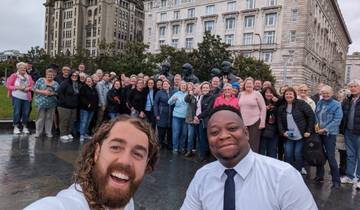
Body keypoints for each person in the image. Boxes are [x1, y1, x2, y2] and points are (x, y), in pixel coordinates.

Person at [181, 105, 318, 210]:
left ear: (246, 133)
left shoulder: (282, 176)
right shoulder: (202, 177)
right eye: (214, 132)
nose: (223, 136)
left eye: (232, 128)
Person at [24, 115, 159, 210]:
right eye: (116, 147)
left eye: (137, 154)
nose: (125, 161)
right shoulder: (67, 204)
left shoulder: (127, 200)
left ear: (146, 165)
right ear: (97, 152)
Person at [277, 87, 315, 172]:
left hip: (301, 135)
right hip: (289, 135)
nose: (288, 95)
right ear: (284, 95)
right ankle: (289, 171)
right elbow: (279, 122)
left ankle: (298, 171)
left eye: (290, 94)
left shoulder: (301, 104)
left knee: (298, 154)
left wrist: (308, 130)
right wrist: (283, 132)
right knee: (288, 154)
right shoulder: (282, 107)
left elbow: (311, 116)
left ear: (294, 95)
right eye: (286, 94)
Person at [314, 85, 342, 188]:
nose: (325, 95)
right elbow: (316, 116)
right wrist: (317, 127)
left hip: (330, 134)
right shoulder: (320, 102)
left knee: (330, 156)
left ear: (332, 93)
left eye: (327, 93)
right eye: (323, 93)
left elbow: (337, 120)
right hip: (319, 133)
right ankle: (319, 175)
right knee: (319, 155)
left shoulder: (337, 104)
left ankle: (336, 181)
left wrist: (325, 129)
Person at [340, 79, 360, 189]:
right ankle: (350, 176)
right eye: (351, 86)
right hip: (348, 131)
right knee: (350, 155)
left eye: (355, 86)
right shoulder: (347, 100)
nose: (352, 88)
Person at [238, 77, 266, 153]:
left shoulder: (257, 94)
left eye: (250, 83)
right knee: (243, 143)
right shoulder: (240, 94)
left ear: (253, 85)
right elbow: (238, 108)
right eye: (247, 83)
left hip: (255, 122)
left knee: (253, 145)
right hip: (243, 123)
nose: (248, 85)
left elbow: (263, 108)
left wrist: (262, 121)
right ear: (244, 85)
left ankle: (253, 162)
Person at [6, 62, 34, 135]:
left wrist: (28, 88)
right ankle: (15, 127)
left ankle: (25, 127)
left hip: (26, 97)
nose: (23, 69)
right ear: (18, 68)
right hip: (16, 96)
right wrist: (17, 87)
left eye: (24, 68)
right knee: (17, 112)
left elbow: (32, 86)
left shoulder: (29, 77)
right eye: (21, 68)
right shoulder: (14, 76)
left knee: (26, 112)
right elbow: (8, 85)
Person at [33, 68, 59, 138]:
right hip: (40, 103)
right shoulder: (40, 80)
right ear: (46, 74)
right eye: (48, 75)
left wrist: (53, 93)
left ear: (54, 76)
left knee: (49, 118)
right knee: (40, 118)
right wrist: (43, 92)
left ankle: (48, 132)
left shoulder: (56, 83)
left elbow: (57, 93)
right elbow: (34, 89)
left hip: (51, 103)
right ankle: (38, 132)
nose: (50, 76)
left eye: (52, 75)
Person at [194, 82, 216, 162]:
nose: (205, 89)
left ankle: (204, 156)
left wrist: (198, 117)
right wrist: (195, 117)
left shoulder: (211, 97)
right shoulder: (200, 96)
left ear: (209, 88)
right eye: (204, 88)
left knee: (204, 139)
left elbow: (208, 110)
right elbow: (196, 107)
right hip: (197, 120)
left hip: (204, 121)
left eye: (207, 87)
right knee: (199, 138)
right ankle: (202, 154)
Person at [57, 71, 80, 142]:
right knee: (64, 120)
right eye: (73, 75)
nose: (74, 76)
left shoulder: (77, 84)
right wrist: (64, 102)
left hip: (73, 106)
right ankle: (63, 134)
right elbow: (60, 93)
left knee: (71, 121)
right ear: (70, 75)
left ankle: (68, 133)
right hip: (64, 106)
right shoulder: (65, 83)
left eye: (76, 75)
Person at [168, 81, 189, 154]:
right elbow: (169, 102)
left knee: (184, 134)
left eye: (184, 86)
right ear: (180, 87)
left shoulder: (188, 94)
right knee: (176, 133)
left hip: (185, 117)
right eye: (182, 85)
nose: (183, 87)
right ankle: (175, 148)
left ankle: (181, 147)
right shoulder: (176, 94)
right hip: (176, 117)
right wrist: (173, 99)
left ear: (186, 87)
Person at [259, 86, 279, 158]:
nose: (268, 94)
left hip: (274, 130)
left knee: (272, 150)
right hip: (263, 129)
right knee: (262, 150)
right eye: (266, 92)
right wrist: (264, 109)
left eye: (270, 92)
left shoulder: (277, 102)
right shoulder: (260, 102)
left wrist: (277, 102)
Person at [154, 80, 173, 149]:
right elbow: (155, 104)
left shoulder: (172, 92)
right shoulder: (159, 92)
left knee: (170, 131)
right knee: (161, 131)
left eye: (167, 84)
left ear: (169, 85)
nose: (165, 85)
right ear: (162, 85)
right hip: (161, 113)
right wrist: (156, 114)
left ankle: (169, 144)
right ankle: (160, 144)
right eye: (164, 84)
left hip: (170, 114)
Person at [79, 77, 99, 141]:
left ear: (92, 81)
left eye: (90, 80)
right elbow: (81, 97)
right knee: (83, 121)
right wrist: (87, 104)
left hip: (92, 108)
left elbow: (96, 97)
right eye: (87, 80)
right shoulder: (83, 88)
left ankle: (85, 134)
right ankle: (81, 134)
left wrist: (95, 105)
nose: (89, 81)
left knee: (88, 121)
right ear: (85, 81)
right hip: (85, 108)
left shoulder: (93, 88)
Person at [184, 82, 198, 157]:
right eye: (194, 88)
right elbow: (186, 99)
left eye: (197, 88)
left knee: (198, 136)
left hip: (200, 120)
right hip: (191, 120)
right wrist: (189, 94)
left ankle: (196, 150)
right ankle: (189, 150)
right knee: (190, 136)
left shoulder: (201, 96)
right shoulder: (191, 97)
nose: (196, 89)